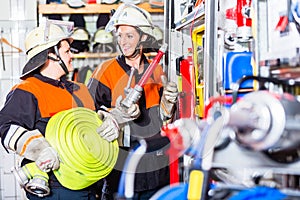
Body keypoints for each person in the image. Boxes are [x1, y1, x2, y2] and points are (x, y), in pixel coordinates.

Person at [0, 22, 139, 200]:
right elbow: (6, 128)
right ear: (51, 55)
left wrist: (116, 117)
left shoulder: (79, 89)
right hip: (55, 187)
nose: (71, 55)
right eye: (66, 51)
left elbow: (92, 122)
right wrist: (40, 149)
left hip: (89, 182)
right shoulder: (27, 90)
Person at [87, 4, 178, 200]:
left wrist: (168, 106)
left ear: (143, 37)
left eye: (129, 36)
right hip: (121, 170)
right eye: (119, 36)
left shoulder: (157, 71)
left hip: (155, 170)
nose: (123, 42)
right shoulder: (105, 71)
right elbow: (88, 116)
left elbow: (163, 120)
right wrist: (112, 117)